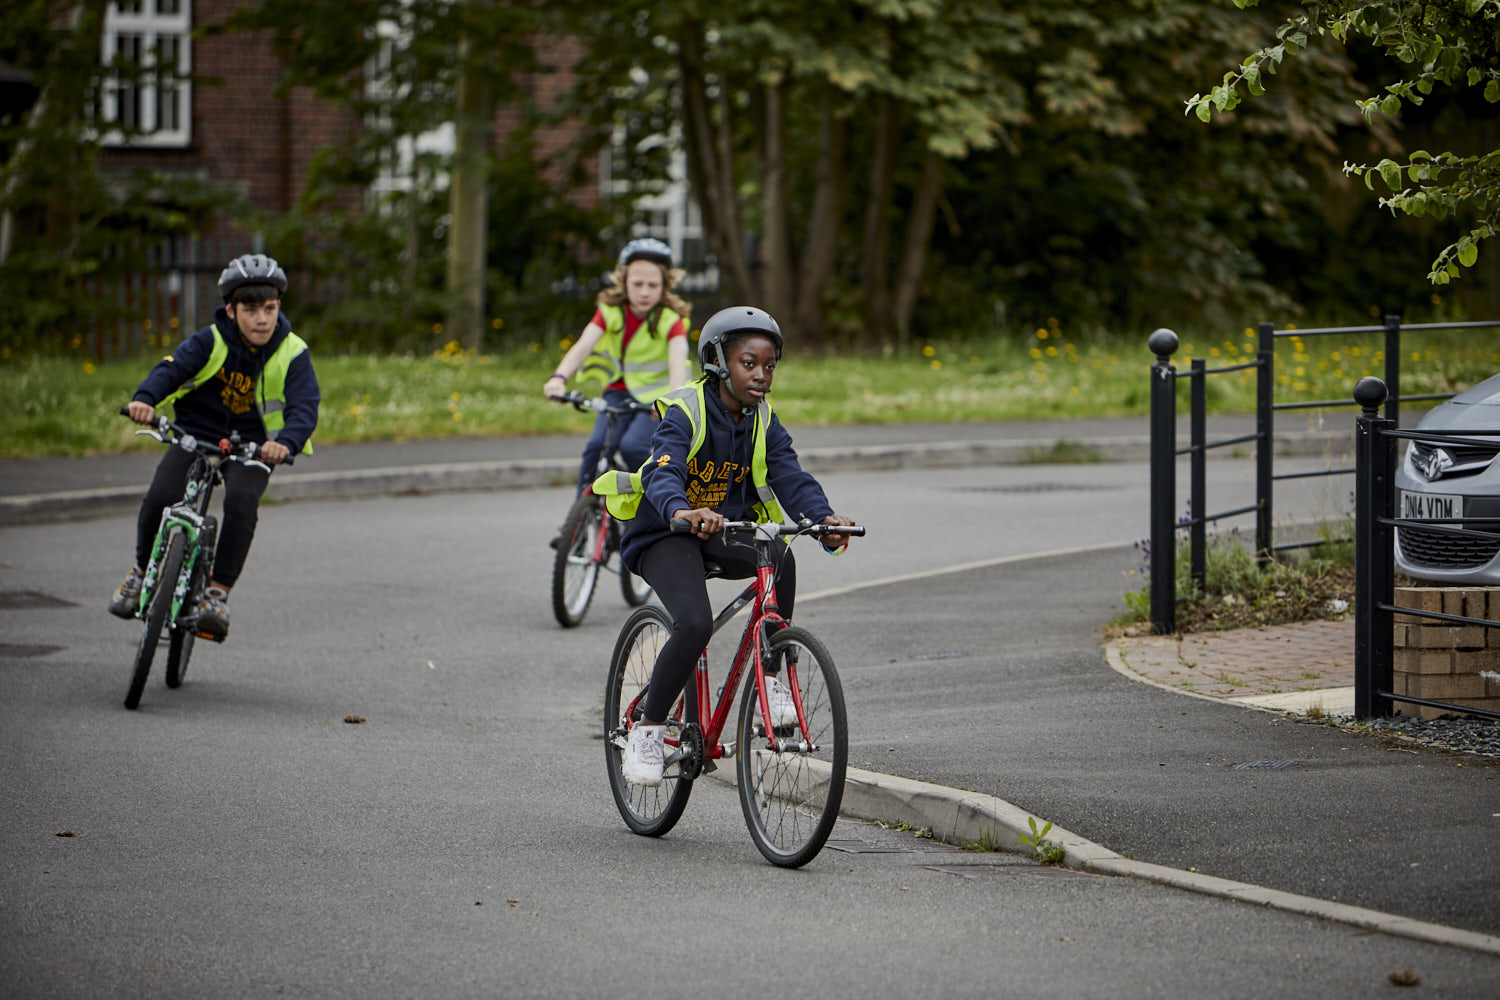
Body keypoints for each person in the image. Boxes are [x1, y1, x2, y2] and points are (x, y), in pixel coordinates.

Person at [593, 306, 856, 787]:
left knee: (779, 555)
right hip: (666, 534)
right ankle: (648, 731)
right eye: (748, 363)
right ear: (718, 362)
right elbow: (663, 470)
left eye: (769, 365)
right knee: (693, 624)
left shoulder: (763, 420)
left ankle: (770, 678)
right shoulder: (686, 411)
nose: (761, 375)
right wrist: (682, 509)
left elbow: (791, 476)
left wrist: (823, 519)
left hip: (721, 530)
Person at [108, 252, 320, 640]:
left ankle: (216, 595)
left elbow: (305, 408)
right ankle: (141, 573)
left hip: (254, 446)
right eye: (251, 309)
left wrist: (285, 443)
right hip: (196, 433)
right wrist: (145, 399)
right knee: (161, 496)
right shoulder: (210, 339)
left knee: (242, 502)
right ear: (231, 309)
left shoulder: (293, 352)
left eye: (270, 309)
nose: (262, 319)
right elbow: (171, 369)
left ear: (279, 308)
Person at [542, 237, 692, 495]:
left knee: (634, 447)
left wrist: (670, 401)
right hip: (617, 392)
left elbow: (678, 364)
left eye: (653, 285)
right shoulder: (609, 312)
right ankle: (579, 518)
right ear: (623, 282)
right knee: (597, 447)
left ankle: (647, 502)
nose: (645, 292)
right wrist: (558, 378)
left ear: (665, 286)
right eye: (637, 284)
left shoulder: (671, 320)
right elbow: (583, 345)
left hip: (656, 401)